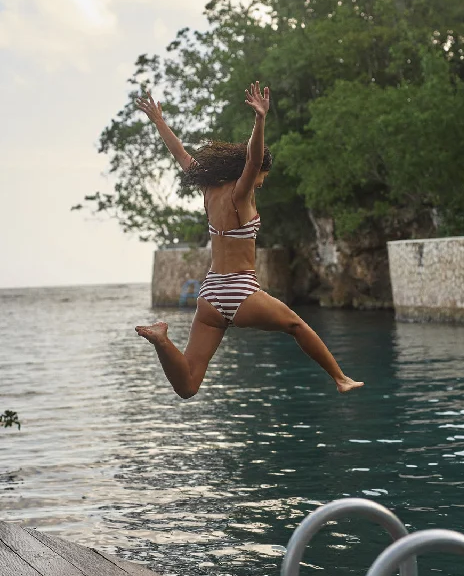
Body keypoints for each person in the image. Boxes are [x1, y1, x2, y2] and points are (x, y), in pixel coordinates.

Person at [134, 83, 364, 398]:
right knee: (296, 325)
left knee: (187, 386)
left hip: (210, 293)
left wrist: (159, 122)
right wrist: (260, 120)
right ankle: (340, 378)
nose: (261, 182)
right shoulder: (240, 195)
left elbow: (181, 154)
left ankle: (162, 340)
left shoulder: (208, 189)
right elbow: (254, 161)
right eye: (263, 177)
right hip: (240, 291)